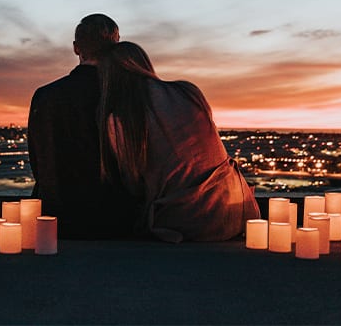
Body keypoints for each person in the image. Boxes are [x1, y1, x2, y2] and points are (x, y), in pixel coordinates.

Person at [97, 41, 259, 243]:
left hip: (187, 221)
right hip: (238, 210)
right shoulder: (188, 91)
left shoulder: (120, 120)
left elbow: (133, 185)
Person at [27, 14, 137, 238]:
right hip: (114, 220)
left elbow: (39, 163)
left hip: (56, 218)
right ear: (116, 46)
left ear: (76, 48)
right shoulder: (127, 96)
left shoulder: (45, 96)